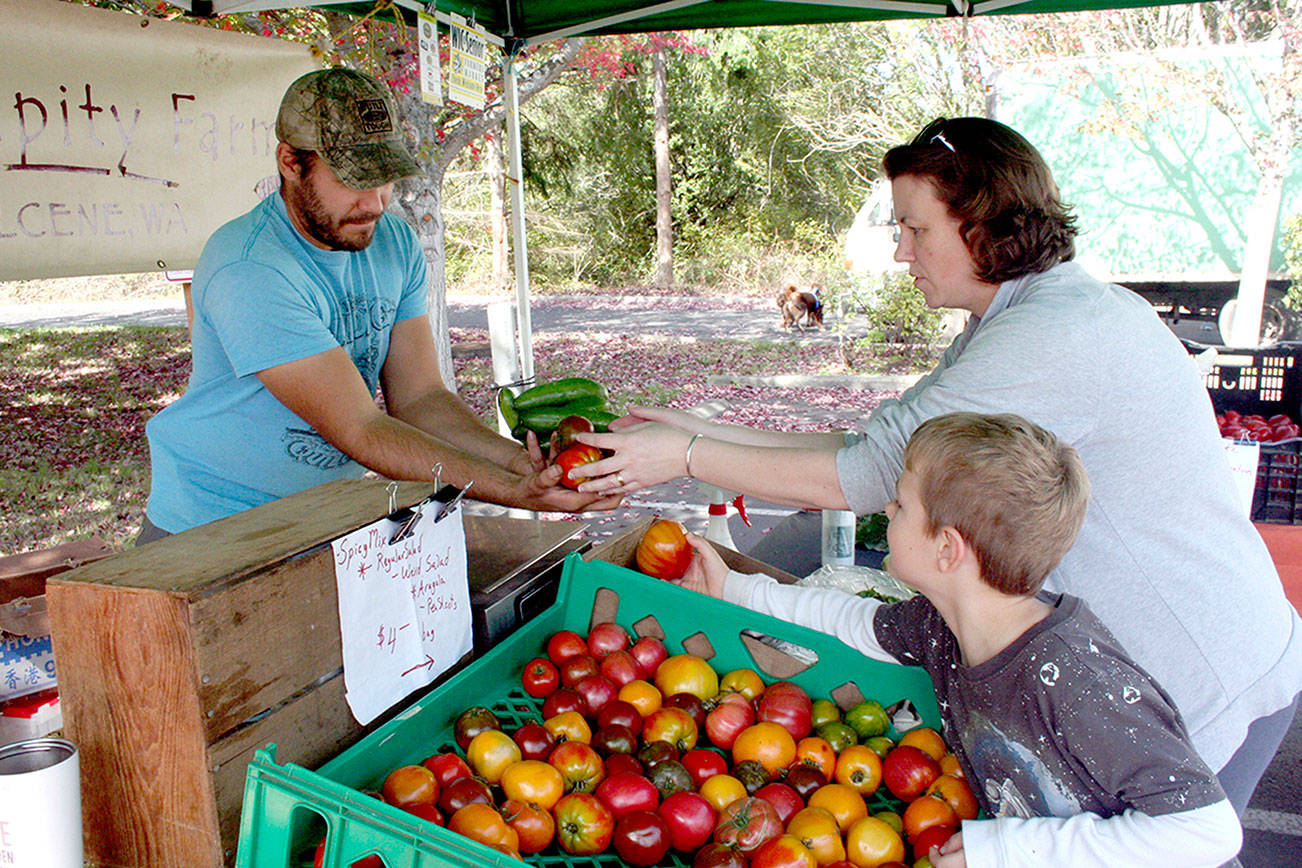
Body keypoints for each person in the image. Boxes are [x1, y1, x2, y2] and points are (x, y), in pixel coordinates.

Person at [575, 117, 1302, 811]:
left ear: (983, 228)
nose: (901, 252)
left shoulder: (1053, 337)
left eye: (916, 228)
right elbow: (880, 449)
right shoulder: (1018, 318)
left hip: (1196, 673)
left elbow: (863, 479)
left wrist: (687, 455)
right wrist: (698, 428)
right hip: (1130, 666)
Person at [676, 411, 1242, 868]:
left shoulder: (1072, 679)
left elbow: (1206, 831)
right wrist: (734, 587)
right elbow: (847, 619)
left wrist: (1006, 852)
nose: (886, 513)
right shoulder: (944, 627)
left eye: (898, 505)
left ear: (947, 549)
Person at [141, 68, 617, 541]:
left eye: (385, 178)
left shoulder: (393, 243)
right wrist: (515, 492)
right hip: (210, 524)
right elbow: (361, 429)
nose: (375, 202)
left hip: (321, 513)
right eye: (354, 180)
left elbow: (421, 399)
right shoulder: (250, 267)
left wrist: (522, 464)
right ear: (290, 162)